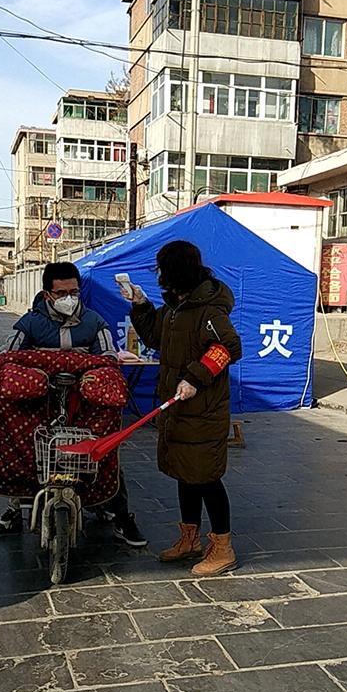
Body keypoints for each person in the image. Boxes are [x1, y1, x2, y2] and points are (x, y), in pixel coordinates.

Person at [0, 261, 147, 548]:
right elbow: (7, 357)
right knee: (26, 450)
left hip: (84, 405)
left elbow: (108, 357)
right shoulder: (29, 323)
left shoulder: (95, 322)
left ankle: (120, 515)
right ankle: (15, 507)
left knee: (105, 453)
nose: (69, 298)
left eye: (74, 292)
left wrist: (94, 371)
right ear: (47, 294)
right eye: (61, 293)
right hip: (40, 405)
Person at [124, 240, 242, 577]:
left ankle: (223, 548)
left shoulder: (209, 310)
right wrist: (141, 304)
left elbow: (229, 347)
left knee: (206, 478)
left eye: (162, 268)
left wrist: (195, 377)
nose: (159, 274)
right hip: (178, 410)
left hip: (202, 410)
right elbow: (154, 337)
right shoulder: (175, 308)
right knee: (185, 474)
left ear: (176, 271)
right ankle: (189, 539)